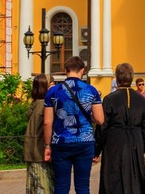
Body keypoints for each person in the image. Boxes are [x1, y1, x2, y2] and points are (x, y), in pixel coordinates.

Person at [44, 56, 103, 194]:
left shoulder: (53, 92)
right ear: (82, 70)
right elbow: (100, 120)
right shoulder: (91, 90)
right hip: (85, 141)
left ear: (66, 71)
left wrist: (47, 145)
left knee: (61, 185)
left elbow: (47, 122)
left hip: (61, 142)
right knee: (82, 186)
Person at [97, 63, 145, 194]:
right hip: (135, 140)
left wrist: (97, 148)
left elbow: (103, 126)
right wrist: (141, 146)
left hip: (115, 142)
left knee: (114, 177)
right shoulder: (141, 100)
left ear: (117, 78)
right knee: (135, 176)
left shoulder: (109, 99)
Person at [25, 74, 54, 194]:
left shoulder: (35, 103)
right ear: (45, 87)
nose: (54, 88)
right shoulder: (44, 104)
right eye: (51, 85)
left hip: (32, 151)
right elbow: (47, 124)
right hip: (40, 152)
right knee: (43, 186)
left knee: (34, 186)